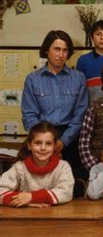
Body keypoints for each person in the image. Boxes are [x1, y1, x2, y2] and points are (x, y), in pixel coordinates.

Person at [21, 30, 88, 179]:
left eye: (65, 50)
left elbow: (80, 114)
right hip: (40, 138)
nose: (61, 54)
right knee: (36, 182)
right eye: (57, 49)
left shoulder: (78, 78)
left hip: (70, 139)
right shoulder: (33, 79)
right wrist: (45, 140)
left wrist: (62, 142)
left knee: (74, 186)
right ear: (46, 50)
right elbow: (29, 115)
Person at [0, 122, 74, 207]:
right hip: (24, 216)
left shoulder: (63, 167)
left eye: (48, 143)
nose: (43, 148)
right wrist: (24, 201)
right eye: (38, 143)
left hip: (55, 216)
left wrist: (31, 197)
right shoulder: (19, 167)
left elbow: (66, 193)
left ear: (54, 146)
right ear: (29, 145)